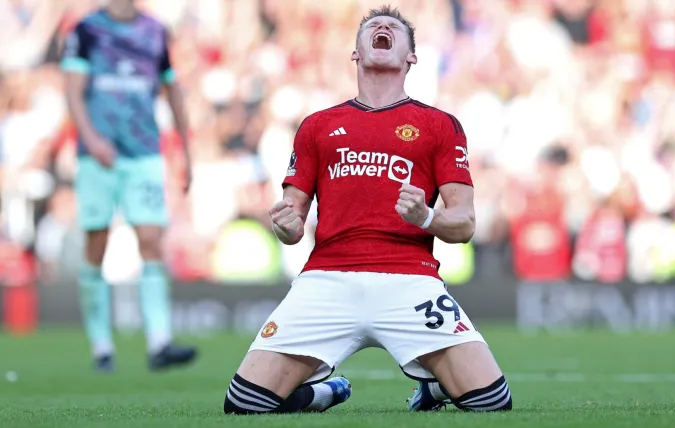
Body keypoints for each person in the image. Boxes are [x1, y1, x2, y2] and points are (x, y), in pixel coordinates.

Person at [223, 5, 512, 414]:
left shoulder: (439, 125)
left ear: (411, 56)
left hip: (409, 279)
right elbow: (291, 219)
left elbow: (464, 223)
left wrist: (425, 217)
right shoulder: (317, 125)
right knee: (244, 404)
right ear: (355, 53)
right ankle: (323, 393)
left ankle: (434, 388)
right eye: (372, 26)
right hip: (327, 279)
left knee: (492, 402)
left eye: (394, 27)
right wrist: (285, 226)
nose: (382, 27)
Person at [61, 0, 196, 372]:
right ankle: (102, 346)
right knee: (97, 242)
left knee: (151, 239)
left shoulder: (154, 30)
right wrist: (91, 137)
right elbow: (73, 91)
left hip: (143, 153)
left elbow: (172, 89)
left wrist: (185, 148)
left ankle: (159, 342)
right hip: (97, 156)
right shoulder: (86, 30)